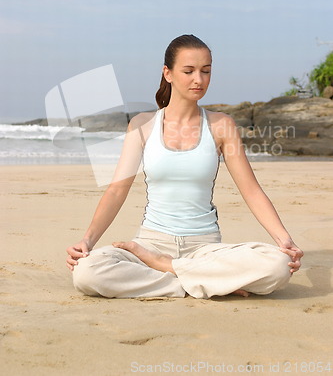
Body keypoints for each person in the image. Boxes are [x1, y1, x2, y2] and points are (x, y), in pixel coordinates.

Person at [66, 34, 303, 299]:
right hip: (150, 243)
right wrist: (87, 241)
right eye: (189, 71)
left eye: (206, 71)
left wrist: (284, 239)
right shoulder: (142, 126)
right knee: (87, 272)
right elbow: (116, 191)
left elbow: (251, 190)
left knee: (278, 265)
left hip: (205, 249)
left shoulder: (221, 125)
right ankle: (203, 282)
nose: (199, 80)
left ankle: (170, 269)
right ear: (167, 73)